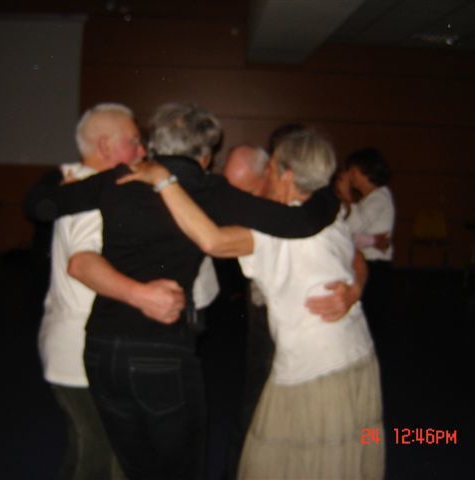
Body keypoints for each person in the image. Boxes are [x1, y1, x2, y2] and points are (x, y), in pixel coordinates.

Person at [24, 102, 346, 479]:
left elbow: (40, 206)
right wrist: (331, 193)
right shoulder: (210, 190)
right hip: (159, 353)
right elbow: (300, 221)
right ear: (207, 155)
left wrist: (52, 175)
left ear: (156, 145)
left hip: (100, 350)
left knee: (133, 468)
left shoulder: (117, 178)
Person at [119, 128, 384, 479]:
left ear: (286, 175)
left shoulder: (275, 229)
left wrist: (164, 180)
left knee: (291, 462)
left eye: (272, 168)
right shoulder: (329, 212)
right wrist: (354, 289)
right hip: (358, 354)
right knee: (338, 452)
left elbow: (211, 241)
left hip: (315, 368)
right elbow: (357, 259)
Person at [34, 103, 187, 480]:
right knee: (101, 458)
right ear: (105, 147)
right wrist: (142, 295)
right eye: (134, 142)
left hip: (78, 345)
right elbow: (82, 264)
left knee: (90, 450)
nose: (141, 152)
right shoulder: (90, 194)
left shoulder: (81, 184)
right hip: (81, 350)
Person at [343, 148, 395, 345]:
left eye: (352, 170)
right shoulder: (369, 199)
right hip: (367, 263)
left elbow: (352, 229)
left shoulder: (380, 197)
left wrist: (347, 197)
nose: (350, 176)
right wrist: (372, 240)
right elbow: (351, 235)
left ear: (364, 170)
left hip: (375, 266)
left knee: (371, 322)